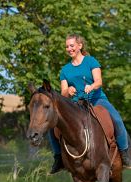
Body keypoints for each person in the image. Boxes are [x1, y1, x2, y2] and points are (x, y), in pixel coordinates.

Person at [48, 33, 131, 174]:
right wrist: (68, 90)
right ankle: (58, 158)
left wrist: (91, 86)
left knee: (116, 119)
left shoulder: (91, 61)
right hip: (75, 104)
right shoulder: (65, 70)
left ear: (79, 46)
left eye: (72, 45)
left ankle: (125, 154)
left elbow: (99, 81)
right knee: (52, 125)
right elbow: (63, 93)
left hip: (97, 100)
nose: (69, 49)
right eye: (67, 46)